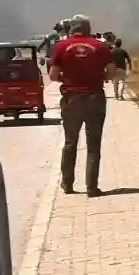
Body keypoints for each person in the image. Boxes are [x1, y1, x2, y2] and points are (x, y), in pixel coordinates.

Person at [49, 14, 116, 196]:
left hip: (71, 98)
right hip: (95, 97)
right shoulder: (100, 46)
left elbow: (53, 75)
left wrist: (67, 78)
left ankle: (68, 184)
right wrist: (100, 78)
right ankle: (92, 187)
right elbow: (111, 72)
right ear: (88, 28)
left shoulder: (61, 46)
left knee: (70, 143)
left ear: (72, 28)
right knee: (93, 145)